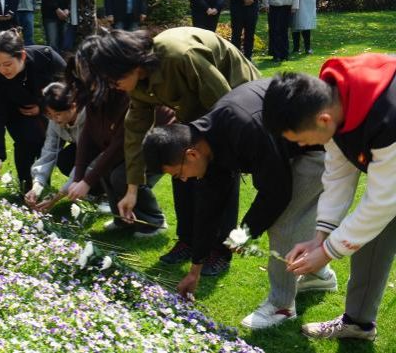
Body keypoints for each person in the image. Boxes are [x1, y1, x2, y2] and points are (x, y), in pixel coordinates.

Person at [143, 79, 337, 329]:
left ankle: (282, 306)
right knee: (289, 215)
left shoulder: (244, 129)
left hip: (321, 142)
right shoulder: (207, 141)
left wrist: (244, 233)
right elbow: (209, 207)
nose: (182, 180)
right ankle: (318, 275)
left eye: (178, 174)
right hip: (289, 139)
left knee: (283, 222)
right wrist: (195, 269)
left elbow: (276, 192)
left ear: (191, 154)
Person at [75, 28, 260, 270]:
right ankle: (187, 240)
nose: (113, 87)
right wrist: (132, 189)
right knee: (177, 164)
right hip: (194, 109)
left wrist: (219, 147)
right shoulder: (137, 82)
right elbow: (134, 133)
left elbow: (224, 104)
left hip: (234, 100)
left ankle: (220, 249)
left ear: (127, 65)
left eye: (113, 80)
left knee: (219, 171)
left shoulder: (179, 56)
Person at [262, 54, 396, 341]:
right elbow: (338, 173)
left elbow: (383, 202)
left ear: (322, 120)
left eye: (300, 139)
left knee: (377, 220)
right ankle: (358, 324)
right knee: (372, 233)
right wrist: (320, 237)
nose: (300, 145)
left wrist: (326, 253)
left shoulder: (389, 119)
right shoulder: (330, 99)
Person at [67, 49, 170, 236]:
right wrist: (79, 177)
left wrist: (87, 182)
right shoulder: (94, 94)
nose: (84, 80)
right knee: (107, 169)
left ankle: (154, 223)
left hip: (158, 141)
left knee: (121, 175)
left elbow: (120, 144)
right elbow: (88, 134)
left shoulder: (123, 91)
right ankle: (122, 220)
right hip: (132, 144)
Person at [0, 30, 66, 192]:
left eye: (7, 64)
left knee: (45, 144)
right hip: (18, 114)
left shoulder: (46, 57)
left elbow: (69, 87)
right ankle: (26, 187)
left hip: (53, 110)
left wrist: (43, 107)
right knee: (25, 143)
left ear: (22, 56)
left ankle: (43, 187)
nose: (3, 70)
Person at [24, 82, 87, 210]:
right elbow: (49, 151)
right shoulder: (54, 121)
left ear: (73, 106)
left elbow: (86, 161)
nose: (55, 120)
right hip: (82, 151)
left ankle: (101, 193)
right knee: (64, 159)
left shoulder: (89, 120)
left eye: (58, 114)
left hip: (104, 155)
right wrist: (36, 186)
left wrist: (57, 196)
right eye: (49, 115)